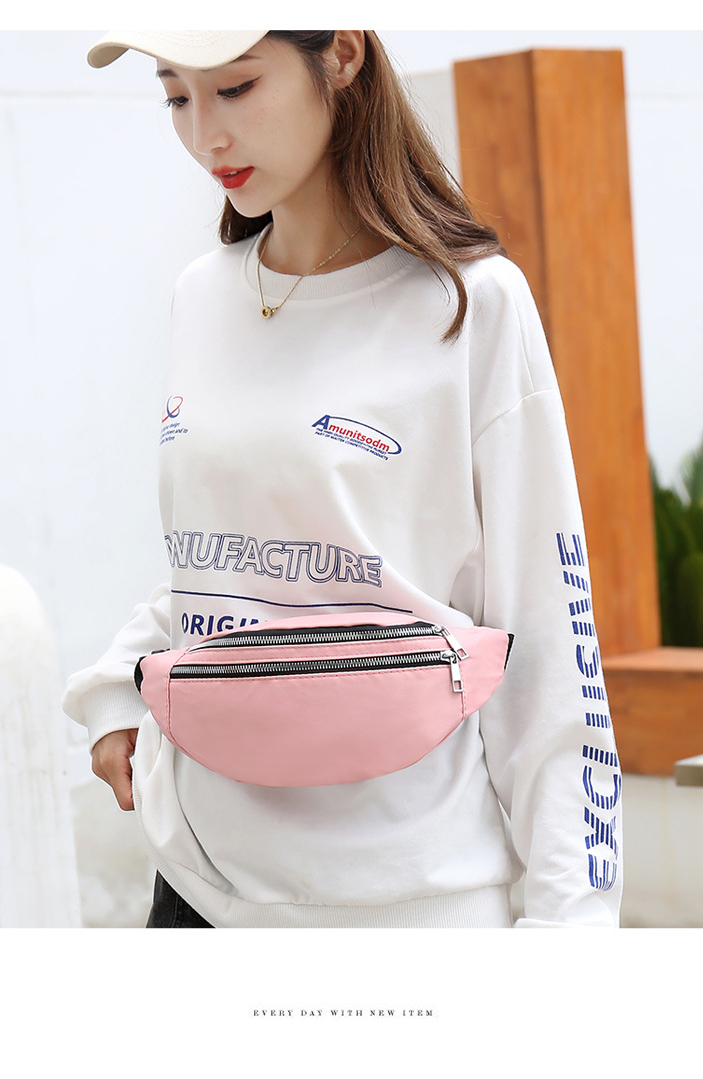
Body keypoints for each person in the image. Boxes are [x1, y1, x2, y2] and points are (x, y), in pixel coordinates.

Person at [63, 30, 623, 928]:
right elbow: (236, 558)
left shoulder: (472, 304)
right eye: (176, 96)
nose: (205, 136)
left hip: (407, 908)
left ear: (344, 55)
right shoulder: (202, 294)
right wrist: (119, 682)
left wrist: (570, 927)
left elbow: (551, 648)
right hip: (200, 889)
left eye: (236, 88)